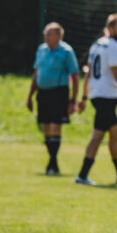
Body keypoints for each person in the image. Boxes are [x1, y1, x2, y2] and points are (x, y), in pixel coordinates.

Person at [74, 13, 117, 186]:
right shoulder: (114, 46)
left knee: (114, 133)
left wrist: (85, 96)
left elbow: (88, 74)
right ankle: (82, 175)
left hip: (98, 94)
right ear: (110, 29)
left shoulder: (97, 45)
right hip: (106, 95)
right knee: (98, 135)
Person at [27, 22, 80, 175]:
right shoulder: (41, 50)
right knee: (46, 126)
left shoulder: (66, 51)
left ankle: (53, 161)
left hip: (59, 93)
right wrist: (30, 96)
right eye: (45, 33)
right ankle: (52, 162)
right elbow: (36, 74)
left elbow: (75, 76)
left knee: (55, 126)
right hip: (43, 93)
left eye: (49, 33)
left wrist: (73, 100)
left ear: (58, 36)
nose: (46, 36)